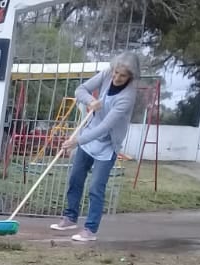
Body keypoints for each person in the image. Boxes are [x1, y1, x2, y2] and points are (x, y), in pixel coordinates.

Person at [51, 52, 141, 242]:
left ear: (130, 76)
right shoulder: (107, 73)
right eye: (116, 73)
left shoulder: (128, 97)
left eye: (122, 76)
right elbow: (80, 90)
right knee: (75, 178)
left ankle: (90, 230)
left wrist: (77, 140)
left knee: (96, 187)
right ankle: (70, 217)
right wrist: (91, 101)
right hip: (89, 135)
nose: (116, 78)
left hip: (108, 144)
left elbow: (105, 127)